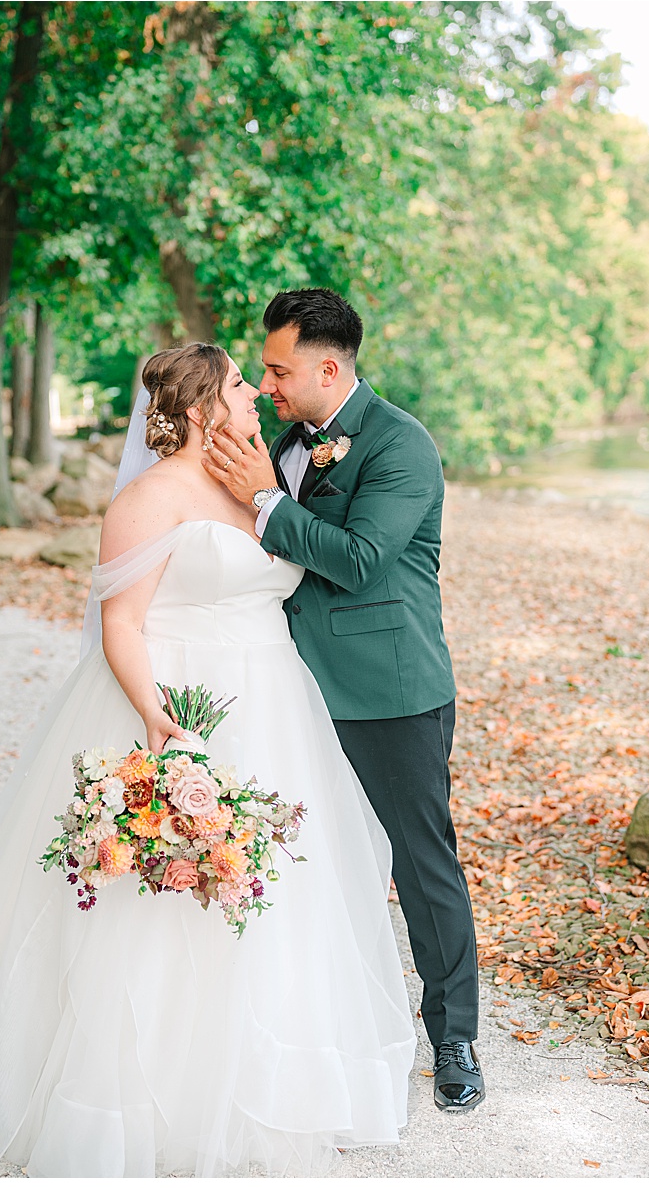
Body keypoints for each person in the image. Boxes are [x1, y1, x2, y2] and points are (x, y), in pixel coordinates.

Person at [0, 342, 415, 1177]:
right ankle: (140, 1089)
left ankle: (276, 1082)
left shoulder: (258, 478)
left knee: (277, 890)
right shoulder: (146, 498)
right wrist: (158, 718)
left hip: (273, 701)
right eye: (242, 384)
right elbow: (122, 624)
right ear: (201, 408)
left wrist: (269, 496)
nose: (256, 395)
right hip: (179, 703)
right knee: (155, 897)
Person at [203, 288, 482, 1113]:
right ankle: (311, 1031)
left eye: (279, 368)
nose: (267, 381)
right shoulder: (280, 445)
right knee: (298, 864)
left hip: (389, 693)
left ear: (330, 367)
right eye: (263, 367)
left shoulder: (402, 445)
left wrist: (265, 501)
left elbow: (359, 559)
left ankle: (454, 1036)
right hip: (289, 693)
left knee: (422, 863)